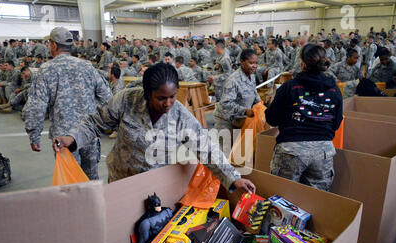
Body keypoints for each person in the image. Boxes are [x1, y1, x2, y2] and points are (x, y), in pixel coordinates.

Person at [53, 62, 256, 194]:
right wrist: (72, 138)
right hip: (120, 180)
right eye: (161, 98)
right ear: (147, 93)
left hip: (154, 185)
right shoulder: (126, 100)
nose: (168, 103)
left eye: (172, 96)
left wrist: (233, 178)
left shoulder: (180, 115)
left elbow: (206, 148)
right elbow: (95, 123)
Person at [24, 27, 112, 180]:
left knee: (71, 181)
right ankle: (94, 204)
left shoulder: (46, 70)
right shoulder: (87, 66)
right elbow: (107, 97)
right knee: (91, 180)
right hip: (89, 132)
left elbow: (37, 105)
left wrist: (34, 135)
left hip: (63, 137)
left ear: (54, 45)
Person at [266, 44, 343, 192]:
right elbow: (336, 123)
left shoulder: (289, 87)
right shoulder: (334, 90)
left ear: (302, 63)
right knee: (316, 201)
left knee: (282, 199)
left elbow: (272, 119)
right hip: (323, 152)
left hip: (291, 150)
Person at [214, 49, 260, 143]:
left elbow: (254, 92)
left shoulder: (252, 76)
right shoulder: (233, 80)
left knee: (239, 151)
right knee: (226, 152)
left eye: (256, 63)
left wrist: (260, 104)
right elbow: (226, 104)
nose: (254, 66)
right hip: (226, 121)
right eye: (251, 63)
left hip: (240, 119)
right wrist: (245, 111)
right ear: (242, 62)